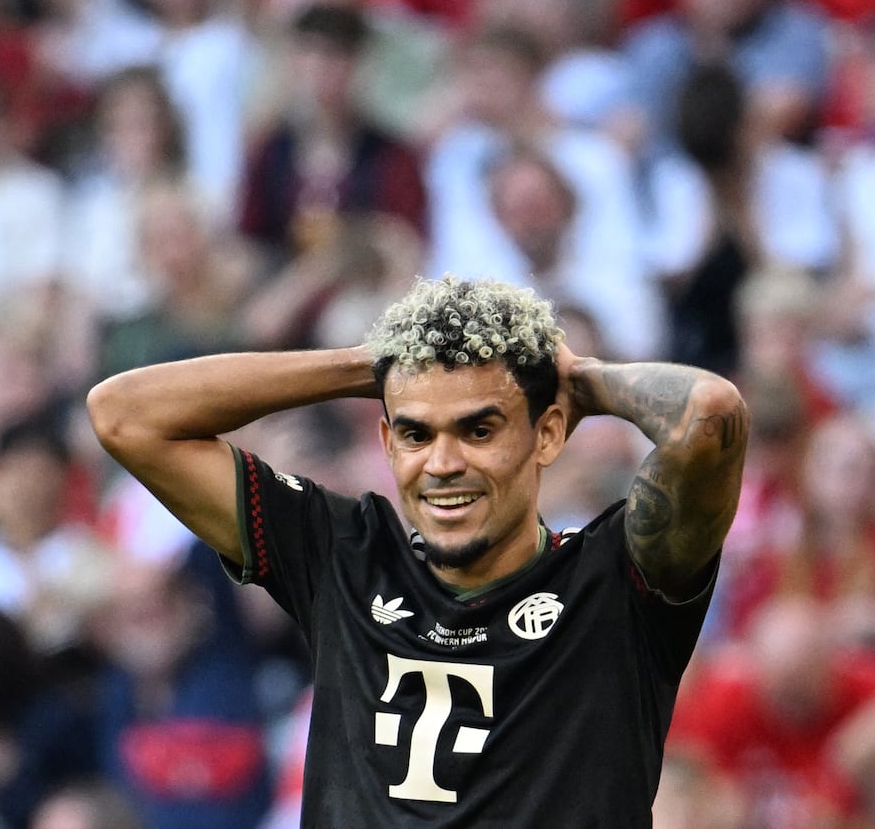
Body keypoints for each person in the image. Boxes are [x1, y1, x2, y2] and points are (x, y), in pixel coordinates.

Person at [87, 274, 749, 824]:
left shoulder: (614, 577)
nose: (442, 463)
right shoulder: (342, 552)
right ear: (384, 442)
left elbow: (710, 415)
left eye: (479, 428)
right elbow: (124, 415)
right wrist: (370, 364)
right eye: (414, 432)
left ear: (547, 435)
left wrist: (576, 377)